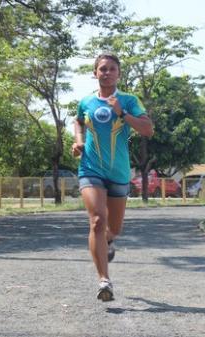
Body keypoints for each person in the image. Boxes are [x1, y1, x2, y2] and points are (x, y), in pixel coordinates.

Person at [72, 53, 154, 302]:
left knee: (114, 228)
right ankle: (104, 281)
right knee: (97, 219)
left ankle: (108, 241)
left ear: (119, 74)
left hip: (118, 172)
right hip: (90, 169)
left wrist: (121, 113)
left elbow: (147, 130)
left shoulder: (129, 100)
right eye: (102, 69)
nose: (106, 73)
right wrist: (78, 142)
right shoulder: (86, 101)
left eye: (112, 69)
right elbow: (77, 121)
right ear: (95, 73)